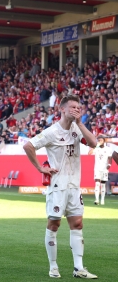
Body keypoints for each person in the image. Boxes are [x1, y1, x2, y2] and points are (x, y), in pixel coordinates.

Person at [23, 94, 98, 279]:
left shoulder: (77, 129)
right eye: (72, 107)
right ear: (62, 109)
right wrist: (40, 168)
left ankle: (78, 268)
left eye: (78, 107)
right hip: (57, 186)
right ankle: (53, 266)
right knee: (54, 224)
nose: (76, 110)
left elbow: (93, 143)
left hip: (74, 186)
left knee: (78, 224)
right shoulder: (51, 132)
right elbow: (28, 146)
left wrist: (80, 123)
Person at [91, 135, 112, 205]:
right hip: (97, 168)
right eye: (98, 140)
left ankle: (102, 199)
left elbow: (110, 158)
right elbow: (89, 153)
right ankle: (96, 200)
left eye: (101, 140)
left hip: (104, 169)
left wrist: (109, 165)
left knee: (103, 184)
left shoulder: (108, 149)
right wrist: (96, 146)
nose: (100, 141)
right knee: (97, 183)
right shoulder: (96, 148)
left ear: (104, 141)